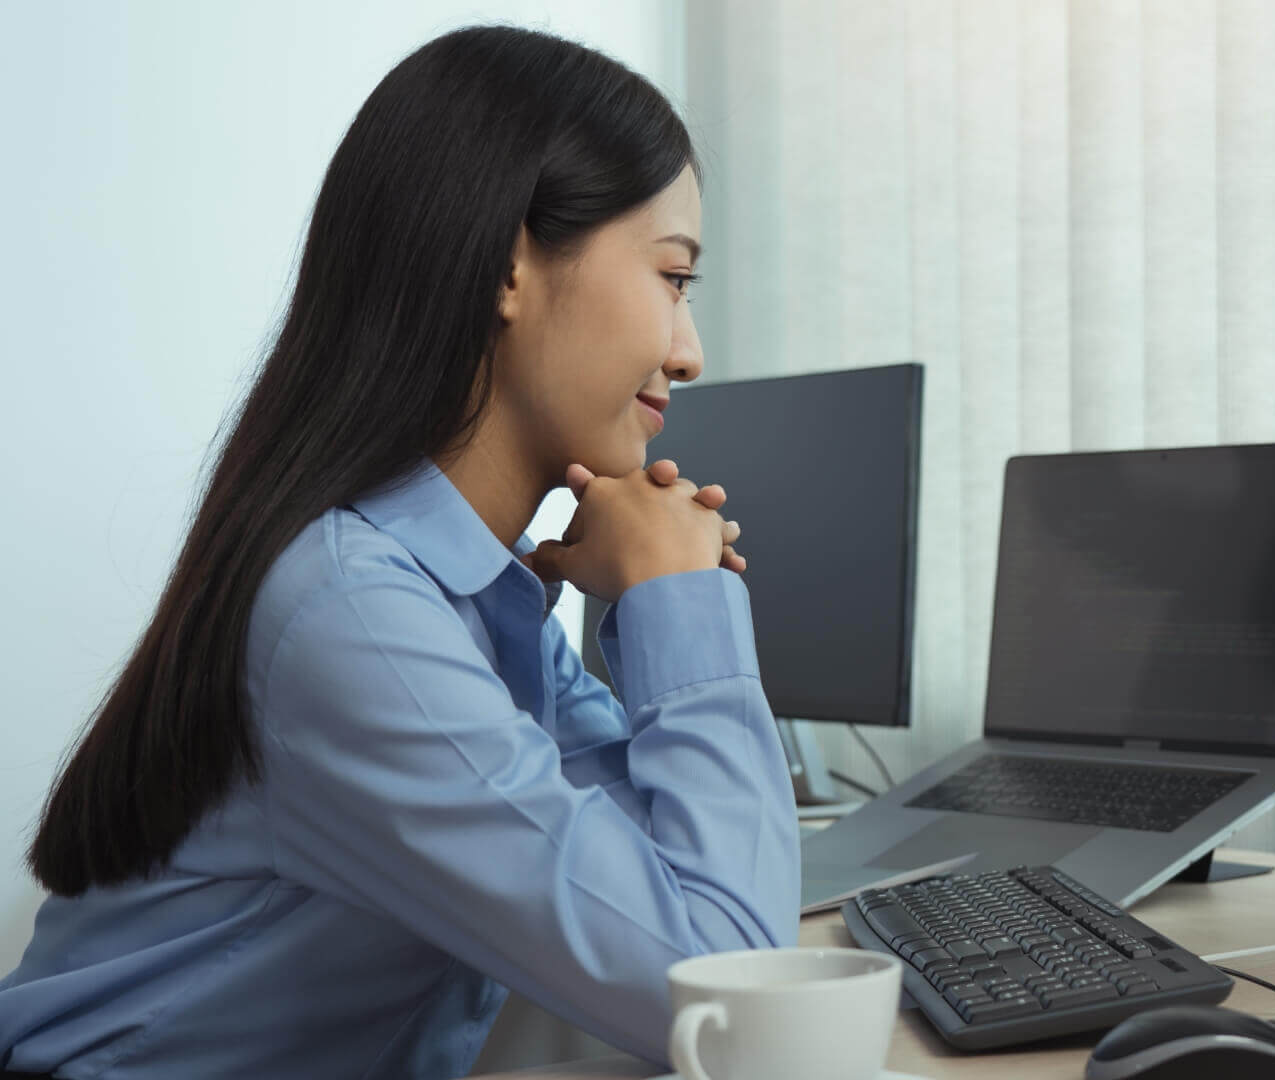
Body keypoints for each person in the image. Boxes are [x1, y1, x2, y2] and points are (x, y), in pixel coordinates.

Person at [0, 25, 799, 1080]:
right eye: (673, 277)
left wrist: (650, 601)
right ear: (511, 262)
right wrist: (680, 594)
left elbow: (668, 897)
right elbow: (727, 999)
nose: (689, 351)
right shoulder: (352, 611)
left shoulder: (468, 598)